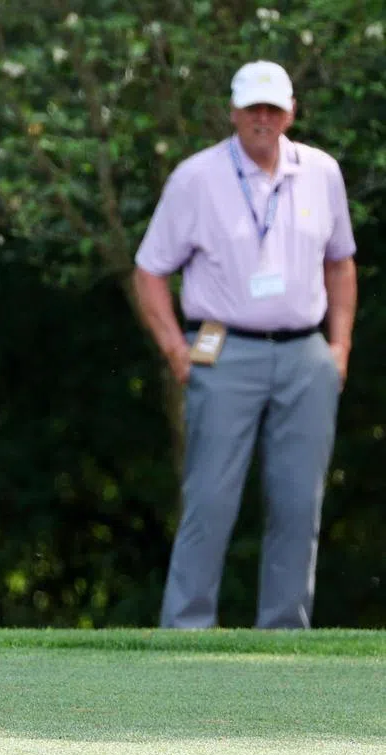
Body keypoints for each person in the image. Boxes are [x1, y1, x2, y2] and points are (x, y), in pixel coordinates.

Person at [134, 60, 357, 629]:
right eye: (253, 108)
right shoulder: (196, 177)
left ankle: (285, 636)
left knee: (299, 503)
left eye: (273, 108)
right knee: (210, 497)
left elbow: (340, 263)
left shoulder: (322, 172)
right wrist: (176, 352)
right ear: (233, 112)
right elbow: (149, 271)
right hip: (223, 350)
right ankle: (186, 631)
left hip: (306, 353)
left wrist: (339, 349)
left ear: (291, 112)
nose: (263, 118)